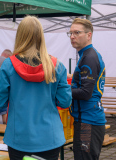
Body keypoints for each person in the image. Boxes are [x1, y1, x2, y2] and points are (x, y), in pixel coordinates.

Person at [0, 15, 72, 160]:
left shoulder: (8, 65)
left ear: (20, 36)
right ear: (41, 36)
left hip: (19, 138)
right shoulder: (56, 65)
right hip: (50, 137)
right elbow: (65, 101)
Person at [67, 18, 106, 160]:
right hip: (87, 120)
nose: (72, 36)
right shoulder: (87, 54)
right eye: (70, 33)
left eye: (77, 32)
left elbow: (85, 93)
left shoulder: (89, 57)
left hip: (88, 123)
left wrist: (59, 91)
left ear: (89, 35)